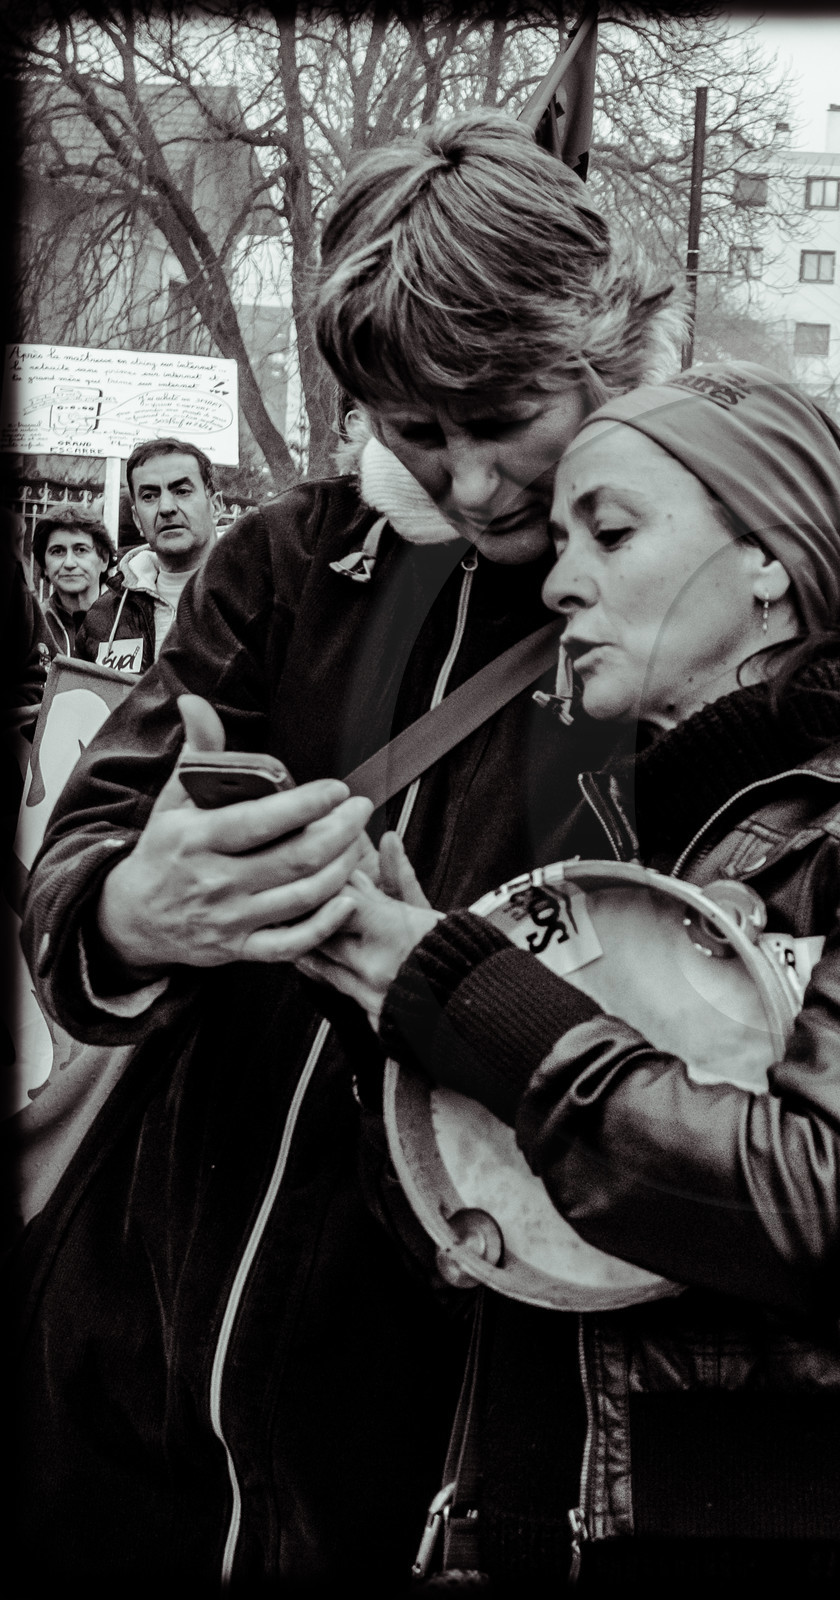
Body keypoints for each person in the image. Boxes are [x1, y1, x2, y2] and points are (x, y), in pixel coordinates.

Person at [15, 109, 680, 1588]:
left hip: (457, 1387)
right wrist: (132, 909)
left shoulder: (699, 611)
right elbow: (74, 879)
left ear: (614, 359)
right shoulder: (281, 564)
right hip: (141, 1328)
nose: (473, 483)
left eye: (507, 419)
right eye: (413, 433)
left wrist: (433, 969)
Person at [297, 361, 840, 1591]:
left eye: (611, 530)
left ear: (773, 559)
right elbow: (516, 1236)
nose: (558, 580)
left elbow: (825, 1206)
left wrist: (459, 988)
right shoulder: (634, 848)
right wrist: (384, 1016)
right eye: (558, 541)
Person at [75, 438, 223, 675]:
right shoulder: (105, 618)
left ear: (216, 506)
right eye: (149, 496)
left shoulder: (259, 598)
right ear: (136, 520)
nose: (166, 507)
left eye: (182, 491)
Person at [30, 503, 115, 665]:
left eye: (81, 550)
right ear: (44, 566)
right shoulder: (34, 625)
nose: (69, 563)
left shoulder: (127, 618)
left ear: (104, 559)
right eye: (57, 551)